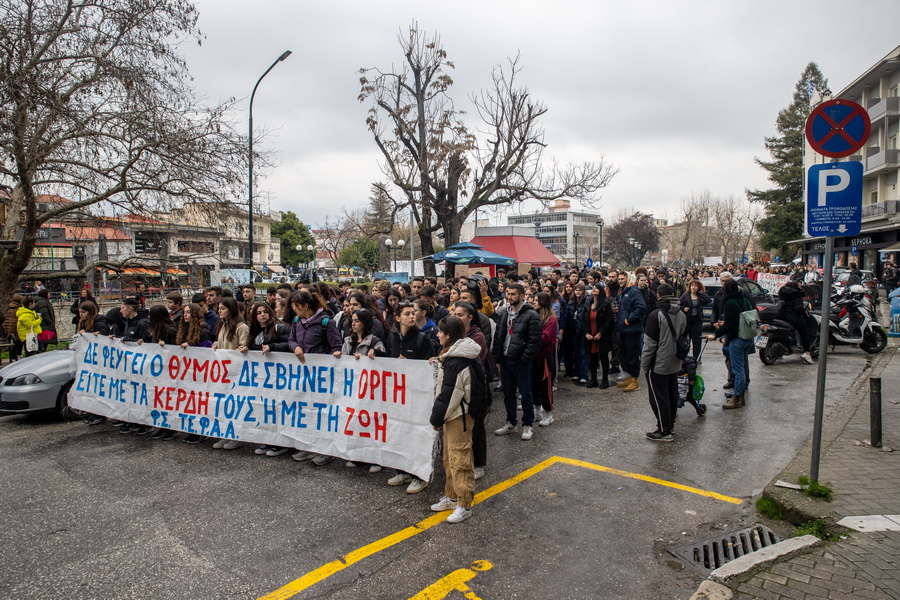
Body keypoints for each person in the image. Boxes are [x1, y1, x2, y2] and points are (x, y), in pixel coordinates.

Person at [428, 316, 482, 524]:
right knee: (449, 458)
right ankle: (452, 497)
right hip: (454, 415)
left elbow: (448, 395)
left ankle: (464, 504)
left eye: (441, 331)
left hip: (459, 416)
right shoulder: (455, 356)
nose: (438, 334)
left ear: (449, 335)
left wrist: (436, 419)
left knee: (460, 460)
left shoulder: (456, 361)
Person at [288, 290, 343, 466]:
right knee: (306, 410)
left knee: (322, 413)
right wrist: (295, 347)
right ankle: (309, 445)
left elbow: (336, 345)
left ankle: (326, 449)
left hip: (322, 377)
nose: (294, 309)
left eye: (297, 306)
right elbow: (291, 339)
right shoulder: (297, 321)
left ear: (306, 306)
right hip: (304, 376)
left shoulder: (326, 322)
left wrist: (336, 352)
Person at [385, 301, 435, 493]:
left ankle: (419, 476)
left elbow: (431, 368)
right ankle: (403, 471)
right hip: (399, 396)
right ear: (398, 318)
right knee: (399, 432)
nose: (412, 316)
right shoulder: (393, 337)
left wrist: (411, 366)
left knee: (416, 436)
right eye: (407, 314)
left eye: (413, 313)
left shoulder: (422, 339)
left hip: (417, 396)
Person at [493, 284, 542, 440]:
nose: (509, 296)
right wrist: (498, 358)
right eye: (508, 293)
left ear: (521, 296)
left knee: (525, 394)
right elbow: (498, 337)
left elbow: (535, 341)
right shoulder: (503, 313)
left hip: (521, 361)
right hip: (506, 360)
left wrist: (524, 358)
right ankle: (511, 422)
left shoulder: (531, 315)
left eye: (513, 294)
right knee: (508, 394)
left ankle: (527, 424)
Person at [641, 284, 687, 441]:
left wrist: (645, 365)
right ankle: (669, 425)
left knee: (658, 398)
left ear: (658, 295)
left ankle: (664, 430)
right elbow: (684, 338)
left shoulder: (655, 315)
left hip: (658, 363)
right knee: (671, 395)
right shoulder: (681, 313)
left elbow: (649, 344)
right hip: (675, 360)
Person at [210, 297, 250, 450]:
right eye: (218, 308)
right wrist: (216, 344)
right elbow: (222, 343)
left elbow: (242, 348)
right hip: (223, 373)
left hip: (236, 373)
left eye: (223, 308)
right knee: (224, 406)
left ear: (231, 310)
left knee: (236, 406)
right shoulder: (223, 325)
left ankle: (237, 435)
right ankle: (225, 433)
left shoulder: (241, 327)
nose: (219, 311)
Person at [708, 278, 753, 409]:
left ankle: (737, 397)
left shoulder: (730, 302)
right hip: (747, 337)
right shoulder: (744, 300)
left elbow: (729, 324)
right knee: (742, 368)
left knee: (737, 370)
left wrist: (715, 334)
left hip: (737, 338)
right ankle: (740, 395)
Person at [111, 298, 151, 433]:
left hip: (140, 366)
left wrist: (128, 340)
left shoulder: (143, 323)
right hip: (130, 366)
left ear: (130, 308)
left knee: (140, 394)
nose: (120, 310)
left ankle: (144, 422)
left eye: (122, 307)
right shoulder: (128, 322)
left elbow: (146, 343)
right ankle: (133, 419)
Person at [76, 301, 112, 425]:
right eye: (80, 312)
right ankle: (93, 412)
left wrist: (93, 336)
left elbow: (105, 342)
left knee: (98, 389)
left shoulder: (100, 324)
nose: (81, 315)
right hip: (89, 361)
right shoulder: (83, 323)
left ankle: (100, 414)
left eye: (83, 312)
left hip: (99, 362)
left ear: (90, 312)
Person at [614, 272, 647, 393]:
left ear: (628, 279)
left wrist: (629, 319)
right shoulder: (625, 291)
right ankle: (630, 377)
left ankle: (635, 380)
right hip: (623, 329)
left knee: (633, 355)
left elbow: (641, 308)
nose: (620, 281)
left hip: (632, 330)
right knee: (625, 355)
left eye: (622, 279)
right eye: (619, 279)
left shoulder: (634, 291)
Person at [531, 292, 558, 427]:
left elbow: (545, 338)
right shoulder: (533, 316)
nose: (534, 302)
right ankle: (537, 411)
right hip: (533, 356)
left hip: (544, 357)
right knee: (534, 385)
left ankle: (548, 413)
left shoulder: (551, 319)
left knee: (545, 386)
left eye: (536, 300)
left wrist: (531, 339)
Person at [582, 284, 614, 389]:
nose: (594, 289)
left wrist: (600, 332)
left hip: (602, 336)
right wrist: (586, 333)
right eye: (593, 288)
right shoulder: (588, 304)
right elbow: (583, 320)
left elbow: (609, 321)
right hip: (591, 335)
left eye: (596, 288)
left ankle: (605, 380)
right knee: (593, 358)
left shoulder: (606, 304)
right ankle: (593, 379)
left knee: (604, 357)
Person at [778, 280, 815, 364]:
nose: (801, 286)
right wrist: (804, 313)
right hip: (794, 317)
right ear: (796, 286)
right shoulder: (797, 294)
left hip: (783, 316)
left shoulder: (783, 292)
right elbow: (798, 308)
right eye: (799, 285)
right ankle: (807, 352)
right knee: (805, 332)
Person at [679, 279, 711, 361]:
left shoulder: (700, 296)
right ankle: (684, 356)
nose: (693, 288)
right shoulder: (685, 295)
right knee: (685, 339)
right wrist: (683, 308)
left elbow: (708, 300)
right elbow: (678, 305)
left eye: (696, 286)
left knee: (697, 339)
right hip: (687, 319)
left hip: (697, 320)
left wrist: (701, 292)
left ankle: (697, 357)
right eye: (692, 286)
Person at [4, 294, 24, 361]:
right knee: (19, 342)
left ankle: (14, 355)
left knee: (15, 342)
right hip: (15, 327)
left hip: (9, 327)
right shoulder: (18, 309)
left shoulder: (10, 308)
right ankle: (17, 354)